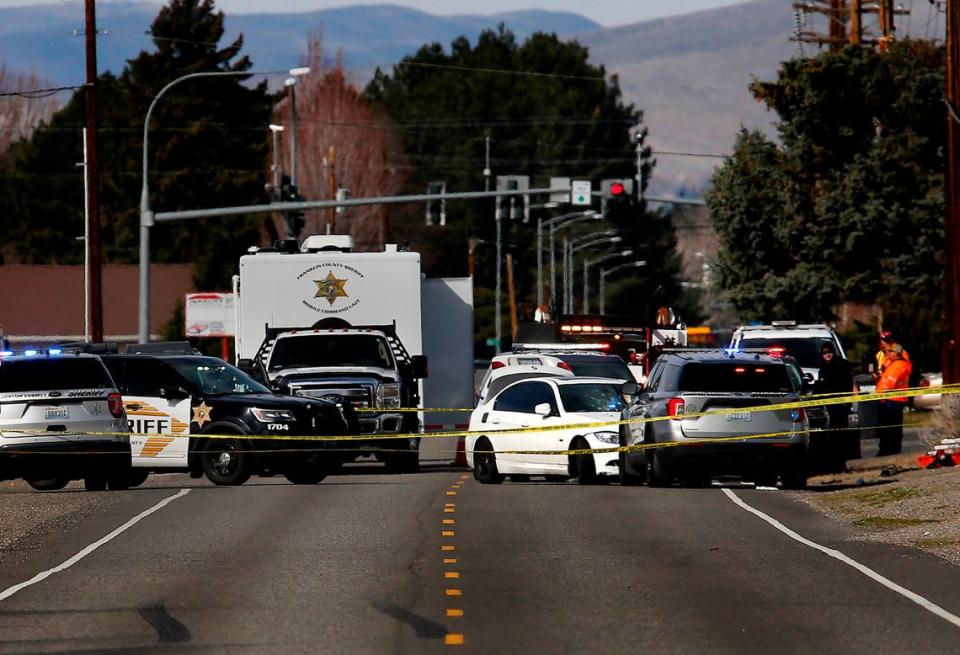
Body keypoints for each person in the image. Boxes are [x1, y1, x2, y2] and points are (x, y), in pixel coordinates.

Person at [814, 342, 855, 470]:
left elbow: (848, 386)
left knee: (840, 436)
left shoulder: (842, 365)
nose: (827, 355)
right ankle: (833, 464)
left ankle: (840, 464)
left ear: (833, 352)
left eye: (829, 352)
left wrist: (846, 403)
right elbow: (821, 388)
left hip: (840, 406)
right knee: (831, 437)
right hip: (828, 407)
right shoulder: (823, 368)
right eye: (824, 353)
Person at [875, 345, 912, 456]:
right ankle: (886, 449)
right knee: (886, 427)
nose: (888, 353)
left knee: (891, 428)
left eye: (891, 351)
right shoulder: (892, 364)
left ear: (898, 353)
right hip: (887, 399)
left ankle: (891, 450)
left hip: (893, 400)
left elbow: (890, 382)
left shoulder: (900, 365)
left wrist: (881, 395)